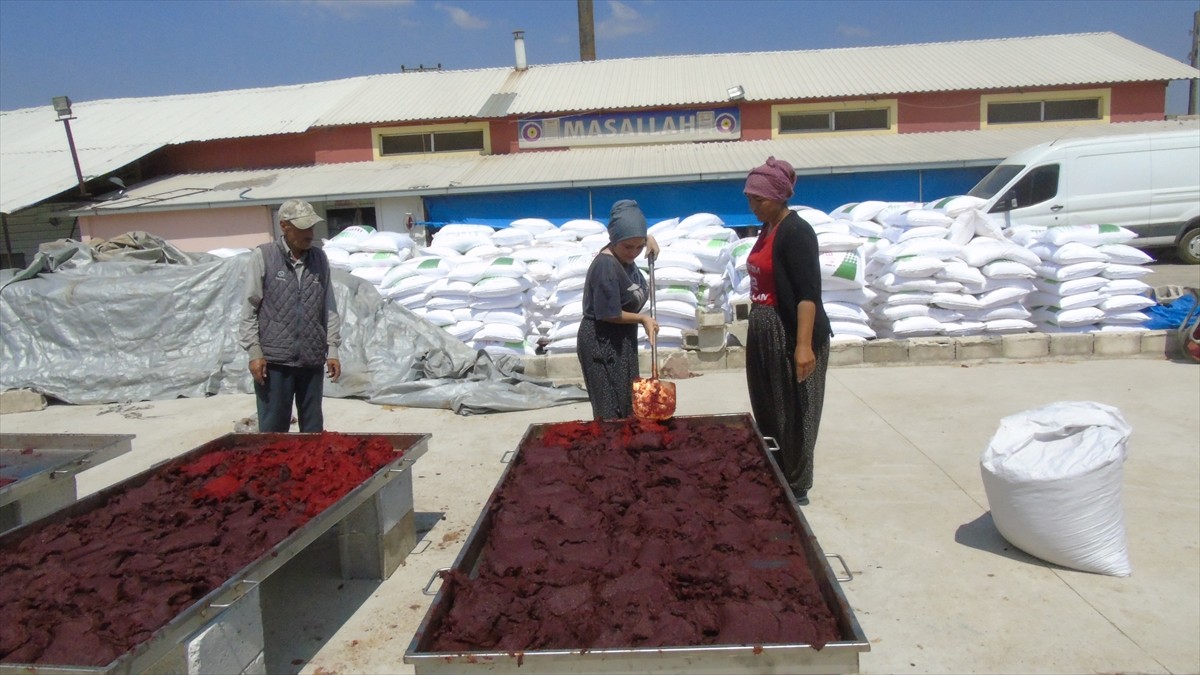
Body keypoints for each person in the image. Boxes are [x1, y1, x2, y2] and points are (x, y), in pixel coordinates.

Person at [742, 157, 832, 505]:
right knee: (769, 407)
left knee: (796, 410)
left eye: (759, 200)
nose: (753, 207)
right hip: (764, 329)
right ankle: (776, 472)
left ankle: (797, 484)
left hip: (790, 332)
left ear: (779, 197)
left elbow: (808, 294)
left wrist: (803, 346)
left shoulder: (796, 232)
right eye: (749, 199)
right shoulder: (766, 229)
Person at [239, 198, 342, 432]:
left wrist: (333, 350)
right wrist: (254, 353)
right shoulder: (264, 257)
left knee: (313, 430)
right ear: (284, 226)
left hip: (311, 359)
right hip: (275, 362)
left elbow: (329, 307)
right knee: (273, 431)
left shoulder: (319, 259)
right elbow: (249, 309)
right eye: (303, 228)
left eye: (311, 227)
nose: (310, 234)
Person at [577, 199, 660, 420]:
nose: (634, 252)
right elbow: (609, 313)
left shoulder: (625, 254)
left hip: (622, 340)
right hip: (601, 341)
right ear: (614, 239)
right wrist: (643, 319)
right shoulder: (606, 266)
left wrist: (648, 239)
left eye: (639, 247)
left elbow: (634, 237)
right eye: (628, 246)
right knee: (610, 411)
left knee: (628, 404)